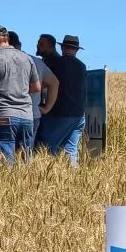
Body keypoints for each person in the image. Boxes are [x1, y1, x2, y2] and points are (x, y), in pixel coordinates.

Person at [0, 25, 40, 164]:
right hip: (26, 116)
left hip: (4, 115)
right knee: (26, 162)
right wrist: (19, 89)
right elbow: (37, 87)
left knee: (5, 163)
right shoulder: (26, 58)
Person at [36, 33, 88, 165]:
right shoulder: (82, 66)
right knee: (71, 149)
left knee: (46, 149)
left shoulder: (55, 63)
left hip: (60, 113)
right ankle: (73, 174)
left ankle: (48, 174)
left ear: (62, 47)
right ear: (76, 50)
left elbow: (44, 84)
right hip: (79, 115)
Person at [8, 31, 58, 143]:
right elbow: (54, 83)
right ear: (19, 44)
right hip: (32, 115)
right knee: (26, 151)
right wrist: (47, 108)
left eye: (41, 44)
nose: (38, 46)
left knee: (6, 149)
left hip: (8, 114)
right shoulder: (37, 62)